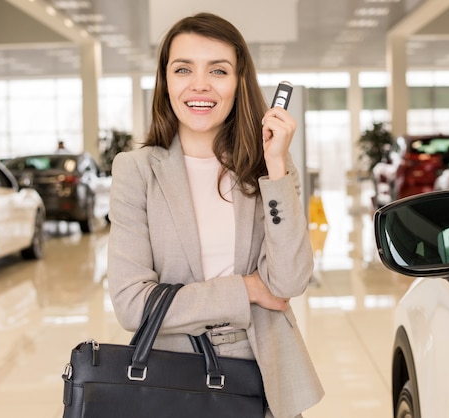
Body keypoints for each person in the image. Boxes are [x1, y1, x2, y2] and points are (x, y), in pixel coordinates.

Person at [106, 12, 324, 418]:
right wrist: (246, 290)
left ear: (239, 82)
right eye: (183, 68)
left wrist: (274, 167)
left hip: (265, 377)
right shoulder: (136, 170)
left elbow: (289, 281)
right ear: (166, 81)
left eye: (218, 70)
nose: (200, 85)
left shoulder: (270, 165)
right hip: (171, 375)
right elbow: (132, 304)